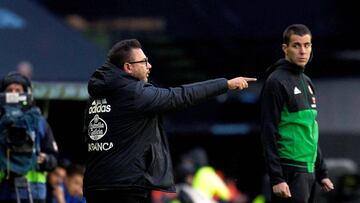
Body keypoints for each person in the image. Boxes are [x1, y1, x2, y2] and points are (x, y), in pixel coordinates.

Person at [83, 39, 257, 203]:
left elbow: (88, 135)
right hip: (124, 188)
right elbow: (180, 95)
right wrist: (225, 84)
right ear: (128, 67)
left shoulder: (97, 95)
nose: (149, 66)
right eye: (144, 62)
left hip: (95, 184)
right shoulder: (135, 93)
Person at [260, 24, 334, 203]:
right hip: (289, 171)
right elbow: (268, 131)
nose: (303, 51)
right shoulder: (276, 82)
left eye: (307, 45)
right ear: (285, 48)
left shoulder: (307, 81)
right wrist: (277, 178)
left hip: (308, 172)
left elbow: (310, 130)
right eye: (296, 45)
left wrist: (321, 172)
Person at [0, 72, 58, 203]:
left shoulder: (39, 122)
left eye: (18, 90)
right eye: (9, 90)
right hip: (3, 190)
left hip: (33, 193)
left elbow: (54, 158)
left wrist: (44, 159)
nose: (14, 94)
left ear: (27, 93)